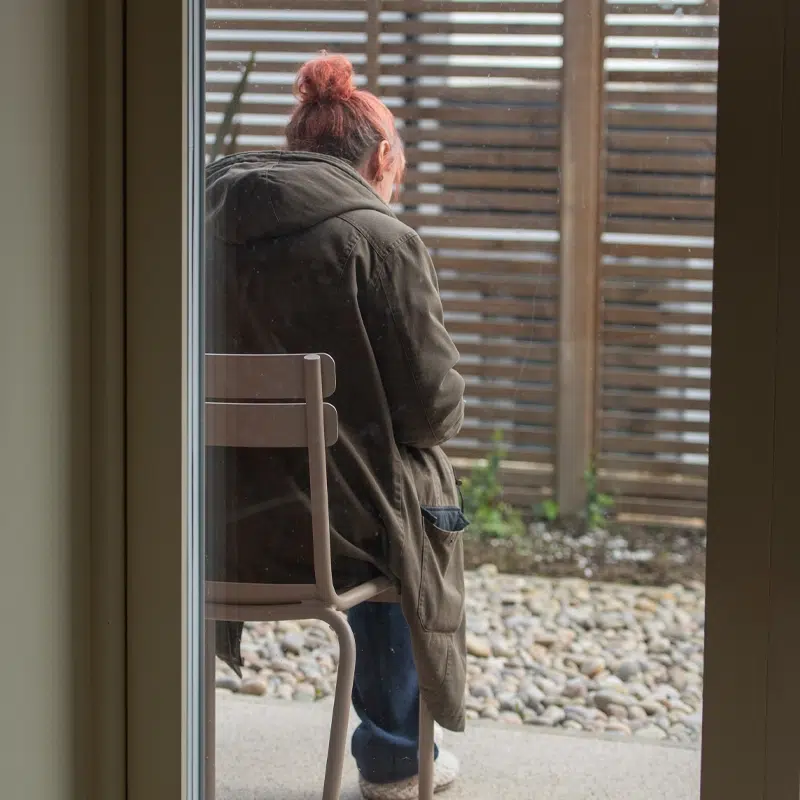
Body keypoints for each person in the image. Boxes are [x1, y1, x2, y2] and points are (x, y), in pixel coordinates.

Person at [205, 53, 468, 799]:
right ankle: (390, 758)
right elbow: (432, 411)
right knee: (403, 491)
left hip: (204, 522)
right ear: (382, 158)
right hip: (336, 546)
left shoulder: (195, 223)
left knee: (367, 479)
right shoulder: (381, 242)